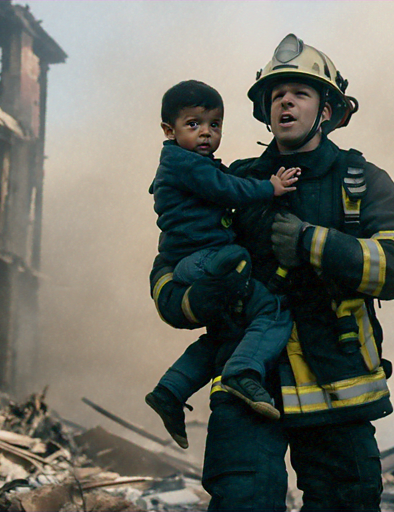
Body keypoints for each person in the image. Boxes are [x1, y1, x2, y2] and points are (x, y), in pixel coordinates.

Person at [148, 34, 394, 511]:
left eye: (300, 92)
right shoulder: (239, 180)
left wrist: (313, 243)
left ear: (326, 109)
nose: (286, 102)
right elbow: (170, 262)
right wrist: (191, 300)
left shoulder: (360, 181)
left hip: (335, 389)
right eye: (277, 95)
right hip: (246, 387)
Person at [146, 80, 300, 449]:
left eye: (214, 125)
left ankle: (171, 389)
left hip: (195, 261)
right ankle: (242, 373)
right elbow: (226, 190)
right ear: (169, 131)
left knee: (225, 328)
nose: (206, 134)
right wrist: (270, 188)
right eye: (194, 124)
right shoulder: (187, 165)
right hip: (201, 261)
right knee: (271, 306)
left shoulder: (194, 164)